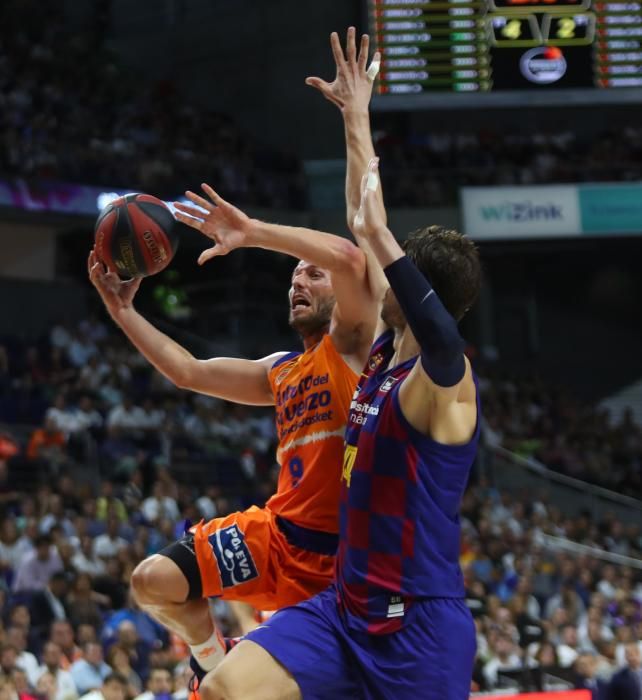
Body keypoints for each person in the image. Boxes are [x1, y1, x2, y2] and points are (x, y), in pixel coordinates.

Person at [197, 29, 482, 700]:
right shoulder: (380, 351)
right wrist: (356, 116)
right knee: (224, 689)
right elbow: (364, 217)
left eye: (397, 275)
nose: (380, 276)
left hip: (419, 629)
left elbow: (423, 314)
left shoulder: (448, 384)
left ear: (418, 296)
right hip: (345, 610)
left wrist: (384, 242)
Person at [88, 182, 378, 676]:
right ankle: (210, 661)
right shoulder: (280, 370)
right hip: (277, 538)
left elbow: (350, 260)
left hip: (339, 568)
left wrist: (252, 233)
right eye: (293, 277)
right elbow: (188, 372)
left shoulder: (354, 346)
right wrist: (122, 310)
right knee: (151, 581)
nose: (297, 284)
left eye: (312, 274)